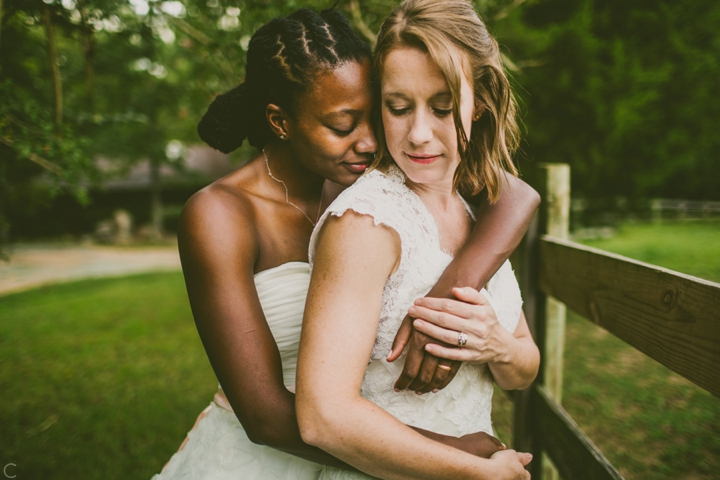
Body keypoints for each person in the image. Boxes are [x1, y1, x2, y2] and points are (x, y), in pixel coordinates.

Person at [153, 5, 538, 480]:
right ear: (280, 122)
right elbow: (266, 416)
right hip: (266, 457)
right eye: (343, 125)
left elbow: (514, 194)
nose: (369, 140)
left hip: (361, 445)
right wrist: (459, 453)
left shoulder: (365, 177)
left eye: (375, 114)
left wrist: (449, 297)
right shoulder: (221, 215)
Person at [296, 1, 540, 479]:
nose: (419, 135)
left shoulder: (478, 210)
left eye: (443, 108)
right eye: (398, 107)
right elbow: (323, 417)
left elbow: (524, 370)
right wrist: (476, 473)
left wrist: (497, 345)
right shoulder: (366, 222)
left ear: (481, 101)